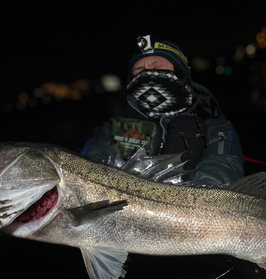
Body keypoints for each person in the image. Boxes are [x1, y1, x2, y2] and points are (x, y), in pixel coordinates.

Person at [81, 35, 244, 186]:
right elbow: (89, 168)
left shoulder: (212, 121)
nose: (146, 72)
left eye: (156, 64)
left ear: (180, 73)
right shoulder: (112, 128)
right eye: (138, 68)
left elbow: (223, 168)